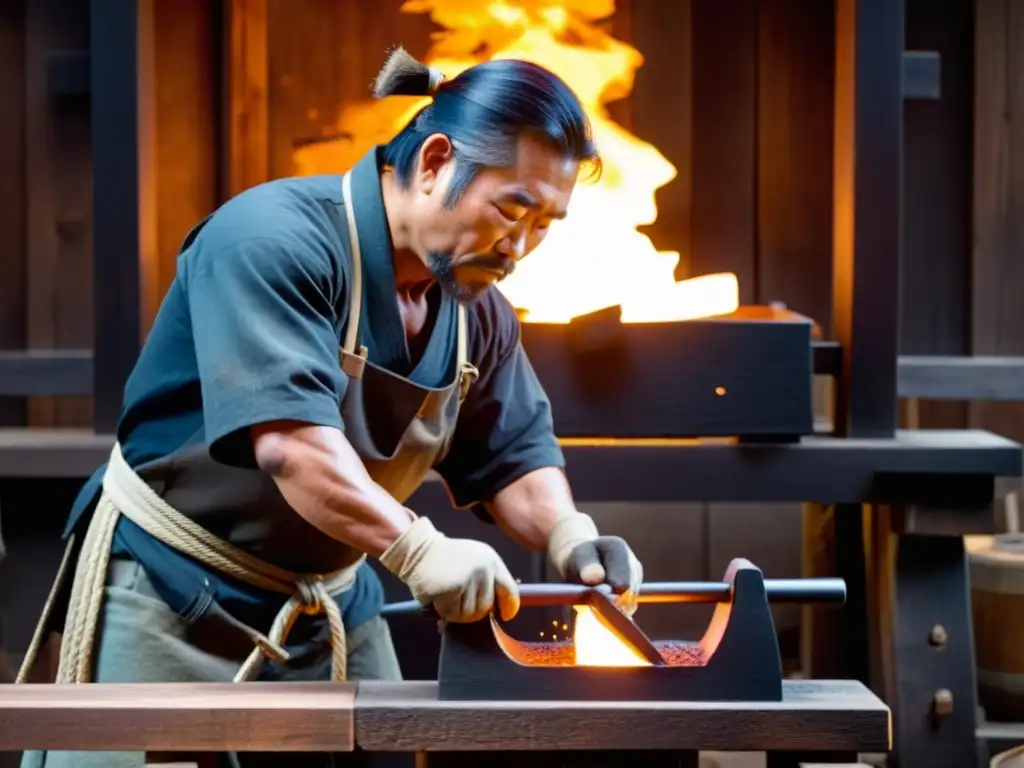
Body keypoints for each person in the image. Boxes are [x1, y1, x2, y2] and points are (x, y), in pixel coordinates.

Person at [17, 47, 644, 768]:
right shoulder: (271, 241)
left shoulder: (480, 311)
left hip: (330, 607)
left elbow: (514, 456)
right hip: (170, 589)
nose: (523, 246)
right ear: (436, 160)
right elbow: (292, 443)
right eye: (512, 209)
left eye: (547, 225)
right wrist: (416, 548)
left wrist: (569, 534)